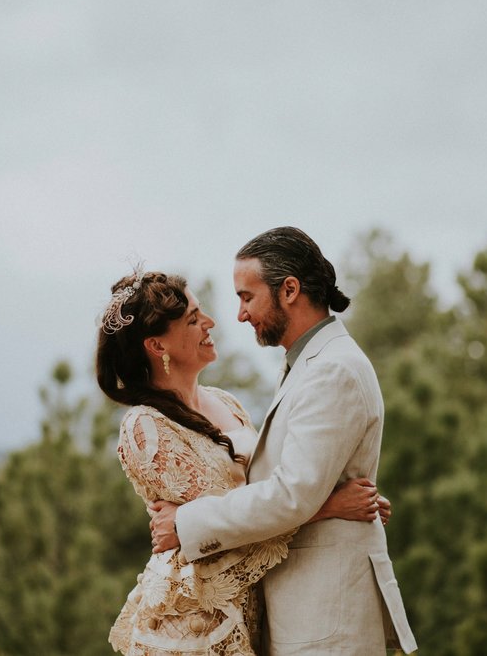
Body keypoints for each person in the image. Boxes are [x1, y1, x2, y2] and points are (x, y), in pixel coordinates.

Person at [149, 227, 418, 654]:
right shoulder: (308, 363)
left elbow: (292, 494)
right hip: (307, 613)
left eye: (247, 297)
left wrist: (185, 524)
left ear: (289, 289)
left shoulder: (332, 370)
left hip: (326, 618)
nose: (239, 314)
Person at [96, 269, 391, 655]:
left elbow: (259, 496)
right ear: (157, 346)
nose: (210, 322)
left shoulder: (226, 403)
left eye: (200, 311)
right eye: (192, 319)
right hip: (192, 626)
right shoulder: (145, 428)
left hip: (249, 614)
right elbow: (226, 532)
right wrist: (329, 506)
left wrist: (321, 487)